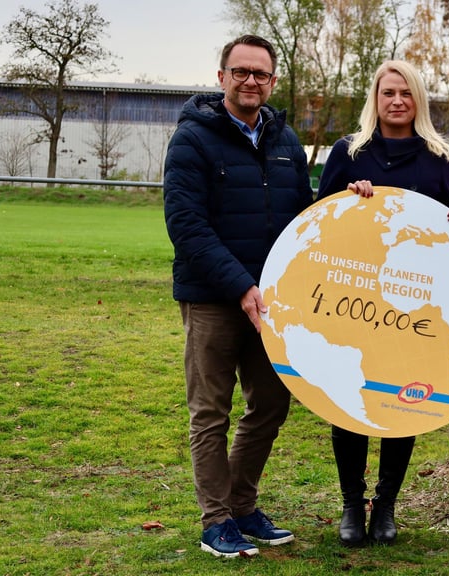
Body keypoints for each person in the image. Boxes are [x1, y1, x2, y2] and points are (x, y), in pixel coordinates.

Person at [163, 34, 313, 558]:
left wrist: (354, 205)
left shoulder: (286, 141)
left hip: (272, 302)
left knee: (271, 403)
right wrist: (240, 285)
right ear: (222, 76)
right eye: (241, 71)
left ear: (273, 81)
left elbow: (306, 221)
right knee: (210, 411)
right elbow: (186, 224)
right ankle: (216, 520)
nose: (251, 81)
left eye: (261, 74)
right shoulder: (192, 139)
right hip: (212, 297)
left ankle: (243, 505)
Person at [316, 60, 449, 547]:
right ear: (375, 99)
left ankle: (387, 505)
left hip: (409, 303)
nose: (397, 100)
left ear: (418, 100)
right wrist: (350, 200)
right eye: (388, 92)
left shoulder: (437, 156)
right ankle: (353, 505)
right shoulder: (348, 152)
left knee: (402, 401)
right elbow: (318, 225)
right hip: (353, 300)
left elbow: (442, 234)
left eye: (406, 93)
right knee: (349, 402)